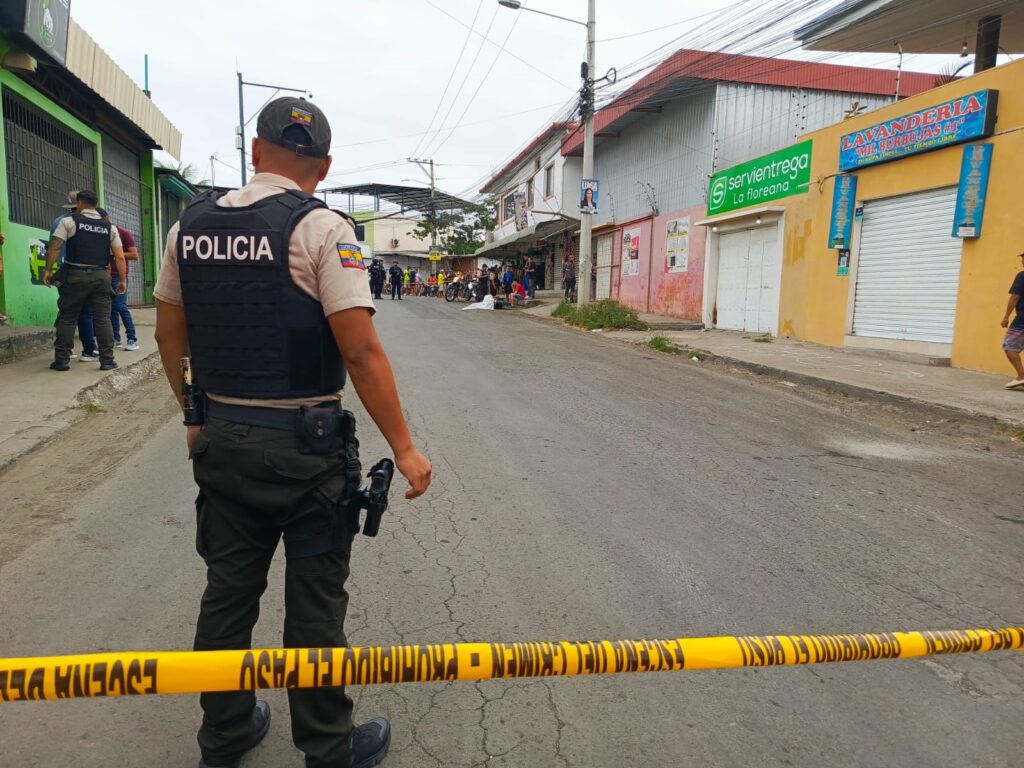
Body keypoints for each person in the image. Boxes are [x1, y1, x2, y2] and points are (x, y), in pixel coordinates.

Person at [153, 97, 432, 768]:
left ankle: (224, 737)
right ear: (324, 166)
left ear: (256, 151)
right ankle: (327, 748)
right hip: (307, 451)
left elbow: (168, 334)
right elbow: (359, 350)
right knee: (314, 608)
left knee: (227, 596)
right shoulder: (327, 230)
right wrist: (404, 447)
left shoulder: (187, 228)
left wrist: (194, 414)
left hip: (223, 440)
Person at [43, 190, 126, 372]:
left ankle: (62, 361)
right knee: (102, 319)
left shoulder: (68, 221)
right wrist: (122, 280)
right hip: (101, 277)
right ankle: (107, 360)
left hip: (75, 276)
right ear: (96, 205)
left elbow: (55, 247)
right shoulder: (110, 228)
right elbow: (120, 257)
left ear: (79, 203)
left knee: (67, 318)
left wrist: (48, 270)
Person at [49, 203, 100, 361]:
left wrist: (48, 270)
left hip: (64, 272)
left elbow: (54, 247)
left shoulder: (59, 221)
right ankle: (89, 350)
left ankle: (64, 350)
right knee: (84, 312)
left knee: (66, 312)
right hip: (82, 271)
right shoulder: (83, 223)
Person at [101, 208, 140, 351]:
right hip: (104, 275)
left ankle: (132, 339)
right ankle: (115, 339)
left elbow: (134, 255)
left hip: (118, 275)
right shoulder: (99, 233)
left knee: (120, 307)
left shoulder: (122, 233)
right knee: (111, 309)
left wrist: (114, 252)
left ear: (108, 218)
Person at [1001, 251, 1024, 389]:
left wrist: (1006, 316)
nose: (1022, 261)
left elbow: (1015, 297)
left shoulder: (1022, 276)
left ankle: (1021, 376)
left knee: (1010, 346)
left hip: (1022, 320)